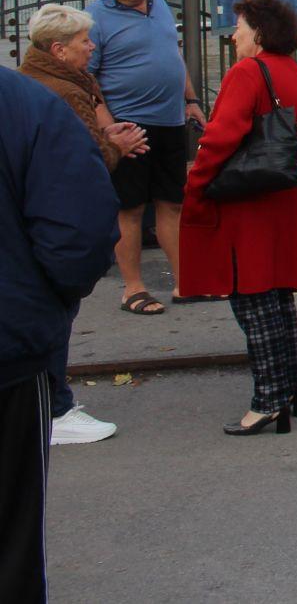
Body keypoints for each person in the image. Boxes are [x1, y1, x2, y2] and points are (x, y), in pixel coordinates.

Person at [0, 67, 119, 602]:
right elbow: (81, 228)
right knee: (11, 536)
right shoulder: (26, 105)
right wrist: (45, 306)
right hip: (9, 354)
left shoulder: (27, 105)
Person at [181, 0, 297, 435]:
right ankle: (292, 389)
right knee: (277, 298)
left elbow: (220, 138)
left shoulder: (247, 72)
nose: (233, 34)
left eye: (239, 26)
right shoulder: (292, 72)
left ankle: (268, 400)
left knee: (252, 300)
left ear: (258, 33)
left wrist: (196, 182)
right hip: (282, 200)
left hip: (249, 205)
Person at [19, 6, 147, 447]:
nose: (92, 47)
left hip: (34, 225)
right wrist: (116, 147)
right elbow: (78, 165)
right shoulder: (64, 92)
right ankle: (55, 410)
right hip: (53, 227)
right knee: (55, 317)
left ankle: (47, 406)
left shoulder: (35, 81)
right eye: (84, 42)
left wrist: (108, 139)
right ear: (59, 49)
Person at [85, 0, 204, 315]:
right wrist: (109, 129)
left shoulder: (160, 5)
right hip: (128, 125)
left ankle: (186, 282)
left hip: (169, 120)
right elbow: (86, 79)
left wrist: (191, 100)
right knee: (131, 208)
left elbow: (174, 56)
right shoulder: (95, 18)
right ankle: (133, 288)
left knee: (172, 203)